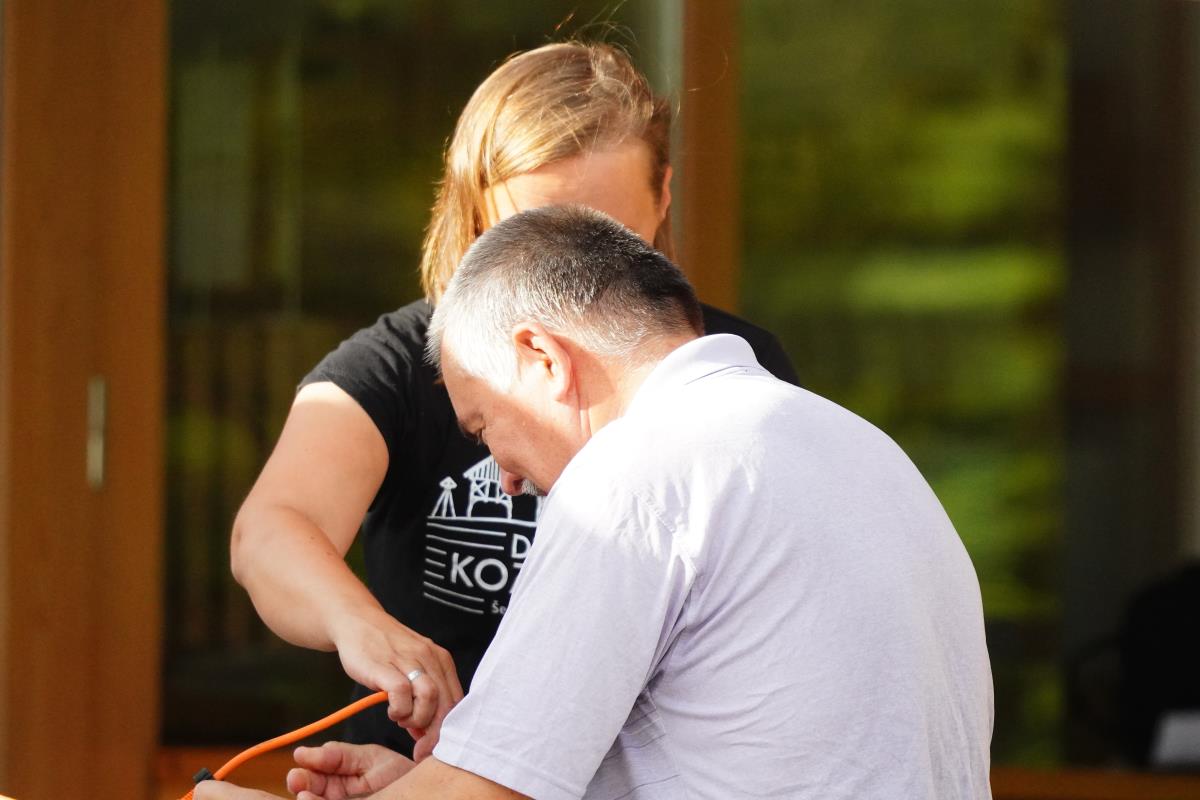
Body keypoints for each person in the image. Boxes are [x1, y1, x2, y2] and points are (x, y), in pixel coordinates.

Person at [198, 206, 993, 800]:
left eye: (484, 426)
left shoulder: (635, 470)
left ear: (542, 357)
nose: (505, 477)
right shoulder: (860, 447)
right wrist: (425, 784)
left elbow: (487, 797)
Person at [230, 40, 799, 761]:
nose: (574, 286)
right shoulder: (396, 362)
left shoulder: (732, 367)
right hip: (414, 770)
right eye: (532, 238)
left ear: (663, 197)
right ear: (473, 217)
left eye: (611, 243)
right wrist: (362, 626)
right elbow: (271, 529)